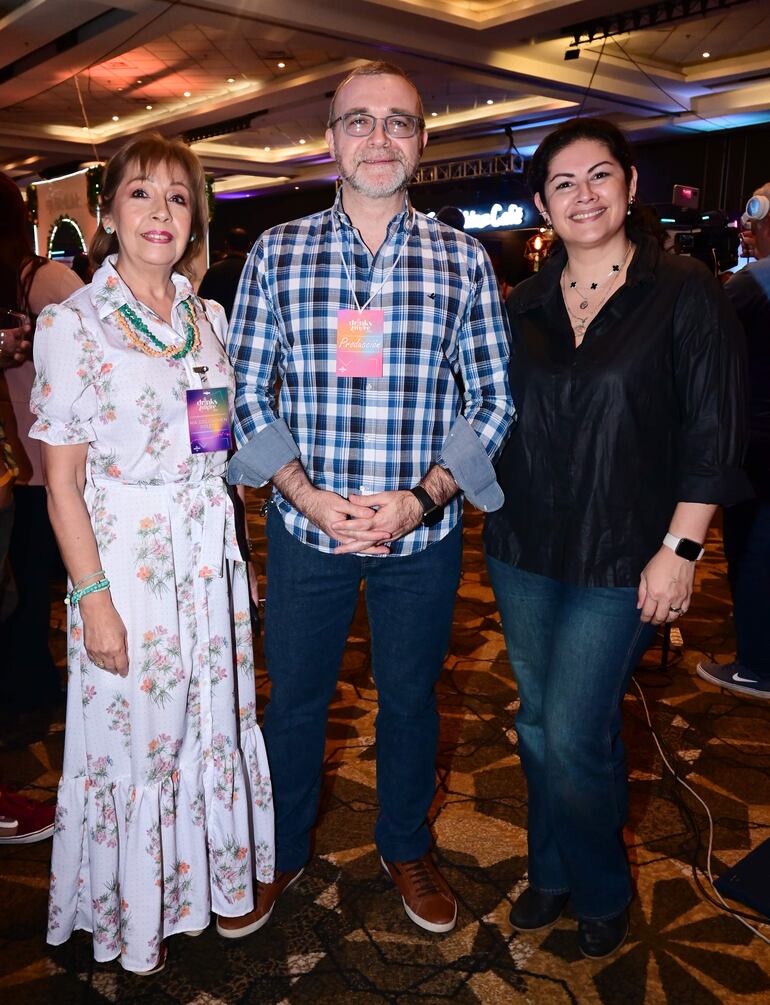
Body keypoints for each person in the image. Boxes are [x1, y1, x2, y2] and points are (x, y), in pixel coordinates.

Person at [228, 60, 513, 935]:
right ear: (331, 140)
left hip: (418, 541)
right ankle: (277, 851)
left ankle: (404, 844)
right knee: (296, 702)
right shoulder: (276, 252)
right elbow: (242, 393)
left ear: (421, 141)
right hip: (306, 534)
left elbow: (493, 399)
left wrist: (420, 501)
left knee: (412, 698)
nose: (378, 138)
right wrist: (307, 497)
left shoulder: (463, 259)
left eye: (397, 122)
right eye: (360, 121)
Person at [483, 117, 749, 959]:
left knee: (572, 727)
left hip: (625, 552)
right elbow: (488, 417)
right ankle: (550, 870)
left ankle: (599, 884)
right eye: (564, 183)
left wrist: (682, 550)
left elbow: (715, 433)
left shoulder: (686, 289)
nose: (584, 194)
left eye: (600, 176)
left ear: (631, 187)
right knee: (535, 725)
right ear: (541, 204)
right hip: (523, 546)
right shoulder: (520, 303)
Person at [29, 133, 274, 974]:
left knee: (205, 727)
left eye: (178, 197)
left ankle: (192, 891)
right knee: (136, 744)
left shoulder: (209, 317)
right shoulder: (74, 323)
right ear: (106, 213)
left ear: (195, 216)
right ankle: (130, 915)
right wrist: (94, 599)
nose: (160, 213)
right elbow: (59, 482)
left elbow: (211, 446)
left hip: (207, 555)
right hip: (126, 559)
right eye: (141, 194)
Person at [0, 171, 83, 710]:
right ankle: (27, 685)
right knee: (27, 585)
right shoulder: (45, 278)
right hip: (39, 459)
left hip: (17, 458)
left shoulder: (36, 281)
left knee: (18, 584)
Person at [697, 183, 770, 699]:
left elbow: (700, 333)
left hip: (759, 442)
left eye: (757, 214)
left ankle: (757, 665)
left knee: (753, 550)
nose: (748, 225)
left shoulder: (755, 280)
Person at [197, 227, 251, 321]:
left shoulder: (214, 270)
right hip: (246, 325)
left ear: (226, 245)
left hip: (219, 326)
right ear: (249, 246)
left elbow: (202, 301)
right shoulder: (253, 270)